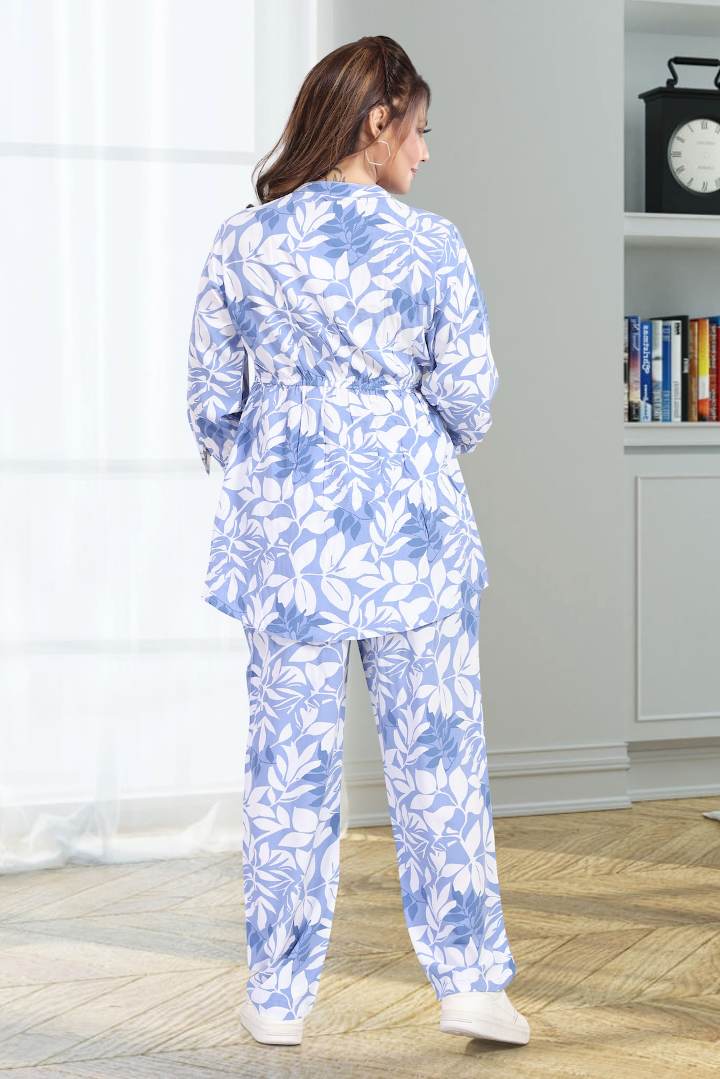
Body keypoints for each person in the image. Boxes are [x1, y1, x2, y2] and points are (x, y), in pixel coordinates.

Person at [186, 33, 529, 1050]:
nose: (424, 151)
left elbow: (211, 401)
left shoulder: (242, 242)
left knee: (288, 769)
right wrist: (396, 427)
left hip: (288, 542)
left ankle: (278, 996)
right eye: (417, 129)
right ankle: (472, 983)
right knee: (440, 764)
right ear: (377, 121)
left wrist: (280, 441)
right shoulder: (433, 245)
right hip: (414, 534)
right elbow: (471, 399)